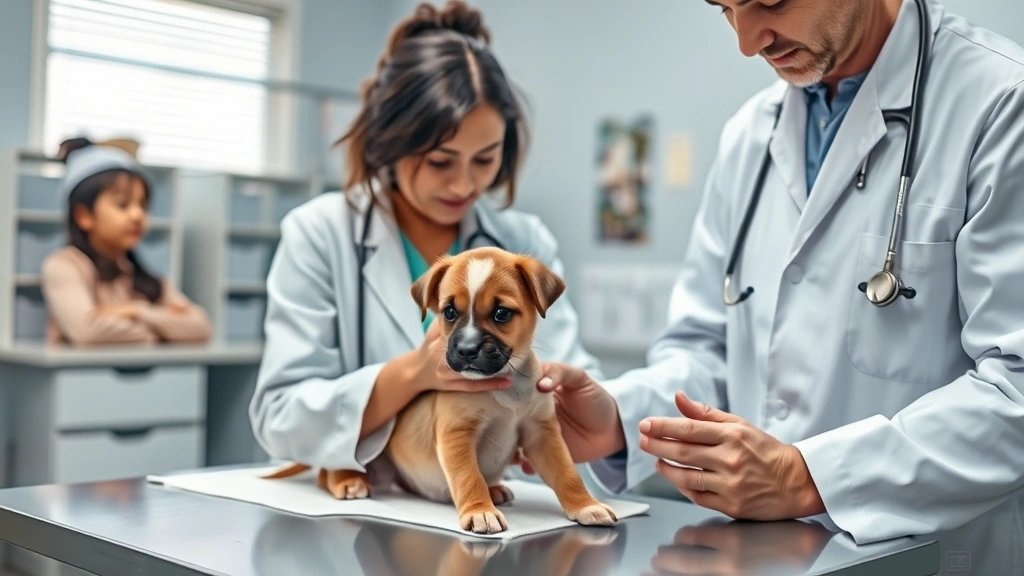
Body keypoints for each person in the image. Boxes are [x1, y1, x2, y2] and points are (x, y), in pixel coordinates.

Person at [526, 0, 1024, 545]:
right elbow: (708, 349)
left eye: (770, 1)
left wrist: (809, 476)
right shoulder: (750, 136)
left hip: (932, 556)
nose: (747, 41)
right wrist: (619, 421)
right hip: (765, 554)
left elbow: (1014, 390)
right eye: (725, 9)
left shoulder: (999, 104)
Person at [248, 1, 600, 476]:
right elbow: (280, 417)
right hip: (359, 508)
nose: (462, 184)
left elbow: (571, 378)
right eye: (440, 161)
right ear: (390, 140)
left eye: (485, 158)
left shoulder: (521, 240)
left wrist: (562, 403)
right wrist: (410, 376)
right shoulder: (319, 233)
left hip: (485, 508)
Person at [40, 138, 212, 346]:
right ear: (84, 216)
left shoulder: (144, 278)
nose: (137, 215)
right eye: (123, 205)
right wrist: (162, 330)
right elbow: (88, 333)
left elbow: (201, 327)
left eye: (143, 205)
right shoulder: (64, 265)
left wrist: (135, 311)